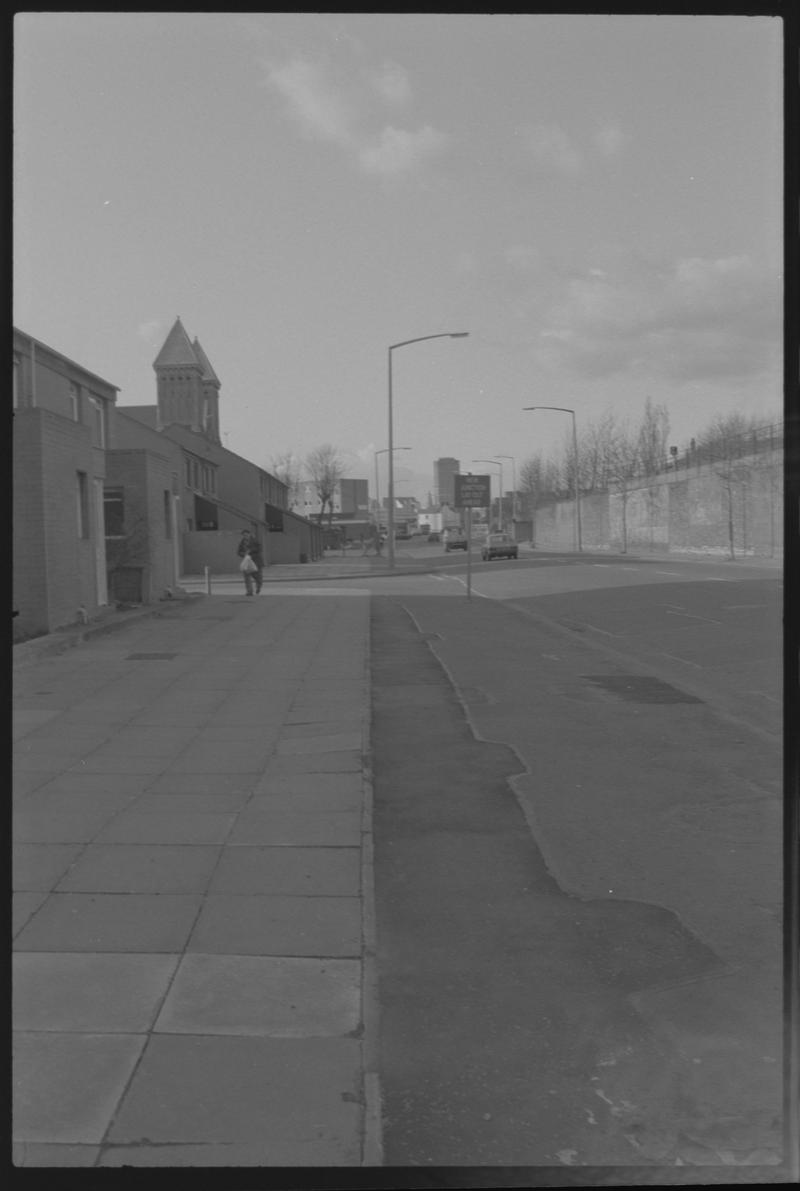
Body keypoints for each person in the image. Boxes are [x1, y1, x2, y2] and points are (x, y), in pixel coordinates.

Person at [237, 529, 263, 595]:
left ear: (249, 534)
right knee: (246, 576)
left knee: (258, 577)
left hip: (256, 561)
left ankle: (258, 586)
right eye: (244, 535)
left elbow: (260, 548)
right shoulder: (242, 542)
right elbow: (238, 552)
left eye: (246, 535)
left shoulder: (255, 540)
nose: (245, 536)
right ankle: (249, 591)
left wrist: (250, 551)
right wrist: (243, 554)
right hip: (247, 562)